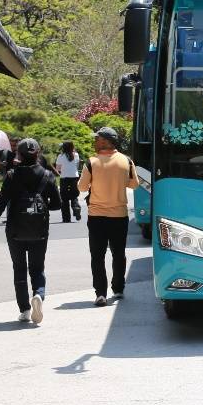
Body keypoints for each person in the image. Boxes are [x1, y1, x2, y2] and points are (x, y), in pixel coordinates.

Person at [0, 139, 61, 325]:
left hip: (15, 230)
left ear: (19, 155)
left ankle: (25, 310)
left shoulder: (12, 175)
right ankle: (38, 294)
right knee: (37, 268)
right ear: (38, 153)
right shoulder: (47, 175)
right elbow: (56, 204)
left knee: (19, 269)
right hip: (39, 230)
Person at [77, 126, 138, 307]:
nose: (95, 142)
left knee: (97, 256)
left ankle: (100, 293)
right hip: (119, 215)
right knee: (118, 253)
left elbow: (82, 187)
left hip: (97, 216)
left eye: (97, 139)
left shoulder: (92, 162)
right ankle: (118, 289)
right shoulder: (126, 161)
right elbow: (134, 184)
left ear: (105, 141)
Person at [55, 141, 83, 223]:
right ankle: (76, 207)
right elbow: (77, 166)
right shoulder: (76, 155)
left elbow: (58, 168)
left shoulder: (60, 156)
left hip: (64, 178)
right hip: (74, 177)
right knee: (74, 195)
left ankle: (66, 218)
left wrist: (61, 170)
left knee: (64, 198)